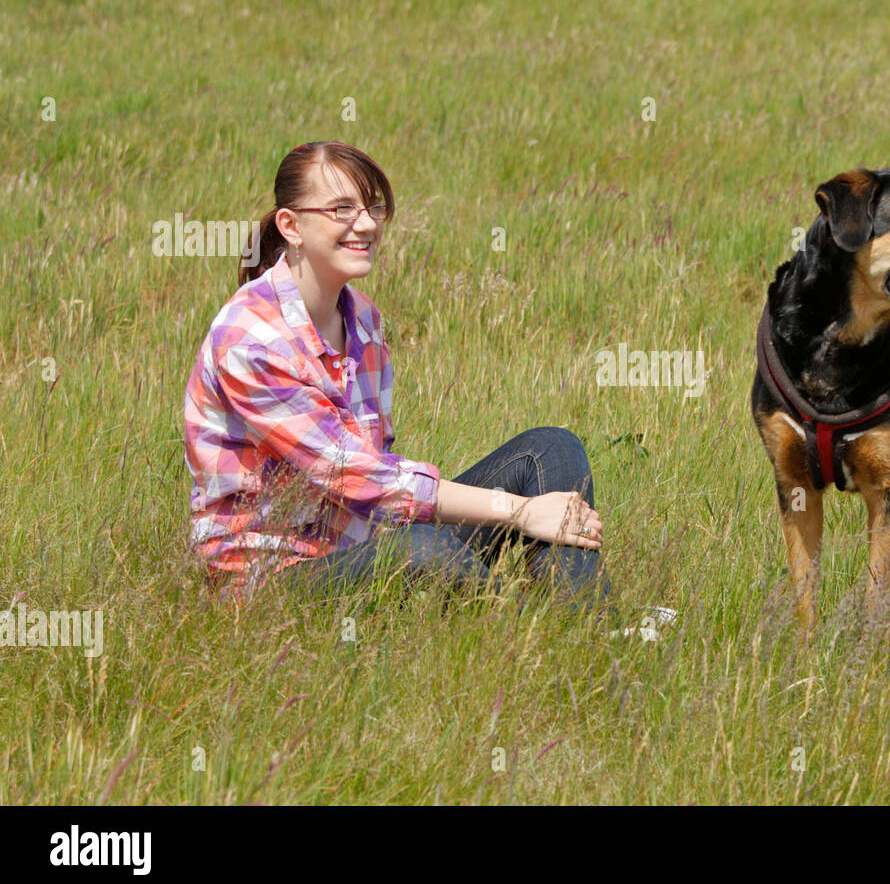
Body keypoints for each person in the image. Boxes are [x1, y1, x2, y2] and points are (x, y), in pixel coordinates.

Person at [182, 141, 611, 614]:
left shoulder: (363, 320)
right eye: (341, 208)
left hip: (365, 542)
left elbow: (376, 462)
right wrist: (521, 512)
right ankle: (519, 630)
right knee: (427, 551)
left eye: (373, 207)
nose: (365, 225)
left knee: (551, 448)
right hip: (273, 582)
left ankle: (586, 623)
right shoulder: (250, 339)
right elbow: (355, 474)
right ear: (291, 225)